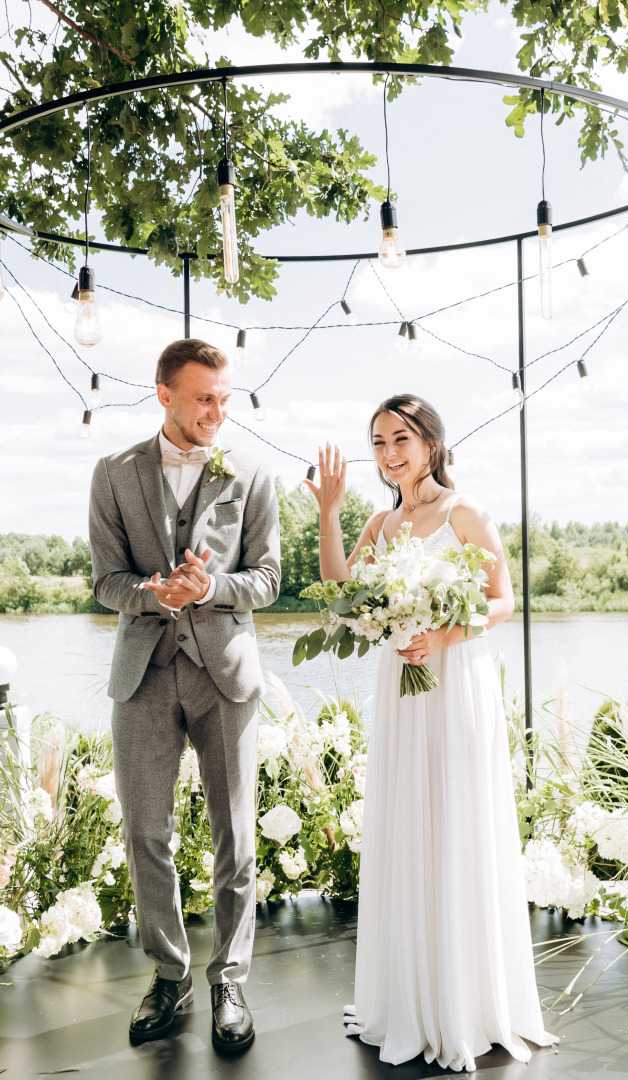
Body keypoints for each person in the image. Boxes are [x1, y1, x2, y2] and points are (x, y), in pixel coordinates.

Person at [305, 394, 556, 1071]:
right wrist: (329, 512)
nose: (389, 454)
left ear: (432, 443)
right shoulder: (382, 523)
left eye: (402, 439)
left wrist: (446, 629)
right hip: (401, 687)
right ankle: (408, 995)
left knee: (456, 822)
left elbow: (503, 598)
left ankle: (466, 1001)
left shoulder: (464, 512)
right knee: (408, 824)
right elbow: (339, 585)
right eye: (379, 442)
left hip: (456, 684)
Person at [89, 339, 280, 1052]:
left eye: (225, 398)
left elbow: (267, 578)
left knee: (236, 832)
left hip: (224, 674)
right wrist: (150, 592)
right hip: (141, 675)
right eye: (204, 398)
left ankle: (231, 978)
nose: (218, 412)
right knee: (147, 832)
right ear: (164, 393)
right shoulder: (111, 473)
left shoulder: (251, 471)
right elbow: (104, 580)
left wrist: (212, 586)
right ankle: (170, 976)